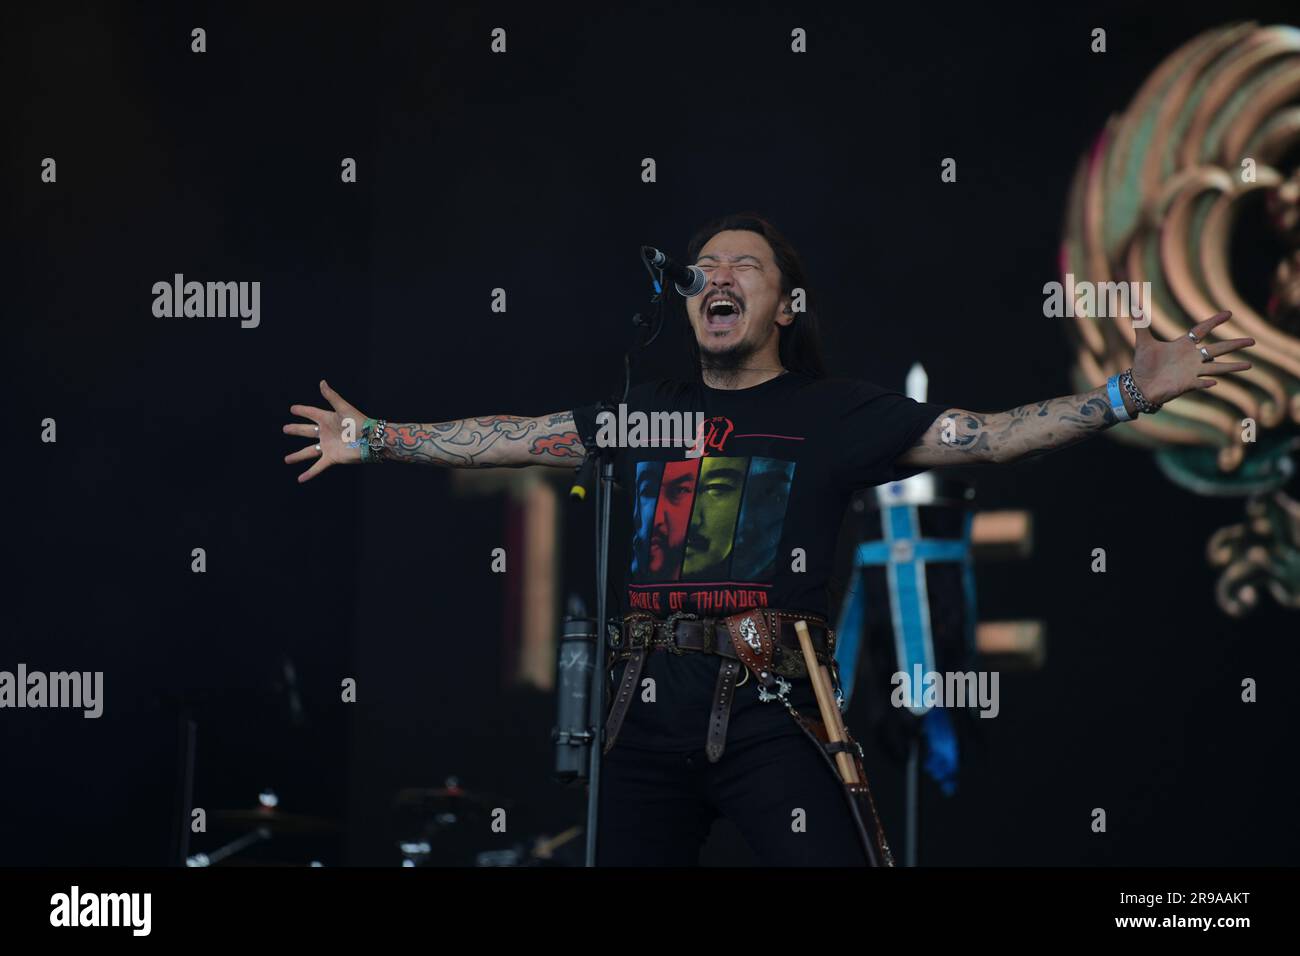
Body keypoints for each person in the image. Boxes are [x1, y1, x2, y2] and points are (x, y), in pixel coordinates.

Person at [283, 213, 1254, 866]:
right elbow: (511, 435)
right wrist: (375, 437)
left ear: (787, 303)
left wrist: (1127, 392)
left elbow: (988, 436)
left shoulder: (835, 412)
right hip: (642, 711)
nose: (717, 274)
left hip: (767, 708)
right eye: (704, 266)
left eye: (743, 263)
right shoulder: (643, 411)